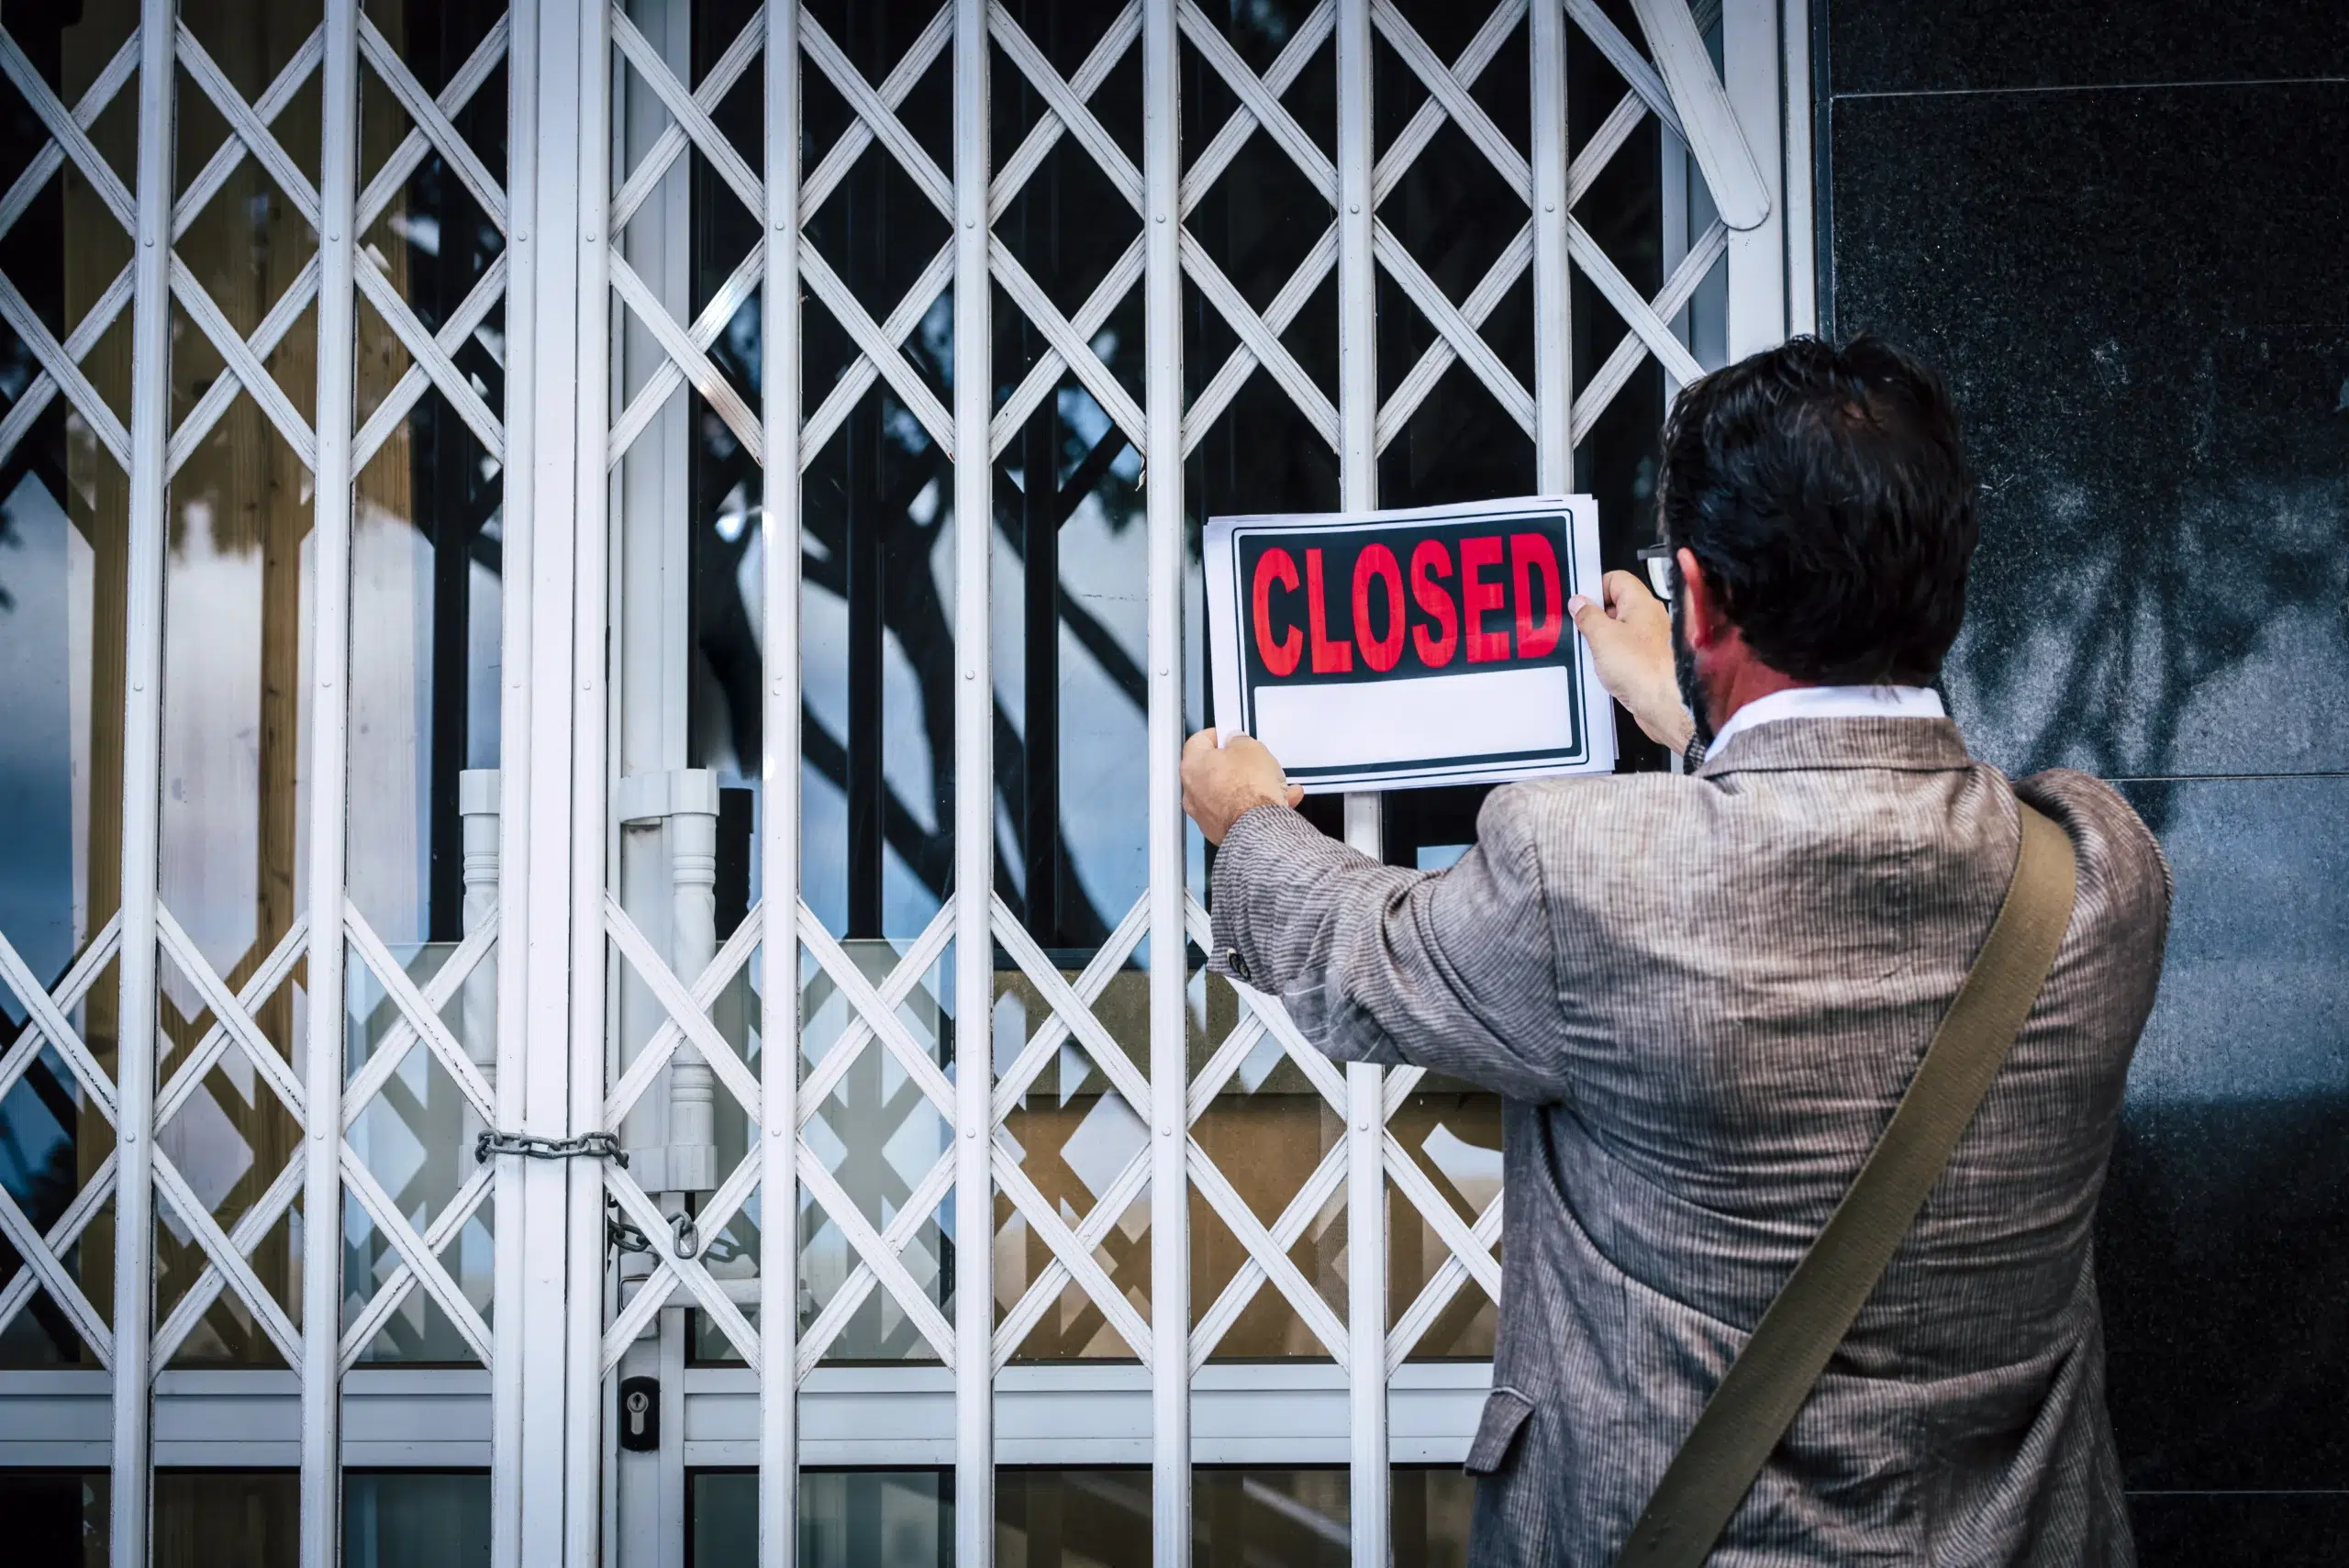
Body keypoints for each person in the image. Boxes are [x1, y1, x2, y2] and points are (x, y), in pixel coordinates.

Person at [1181, 336, 2170, 1566]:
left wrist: (1252, 822)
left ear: (1699, 597)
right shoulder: (2097, 875)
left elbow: (1362, 954)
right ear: (1950, 579)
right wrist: (1697, 713)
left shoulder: (1581, 875)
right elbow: (1855, 859)